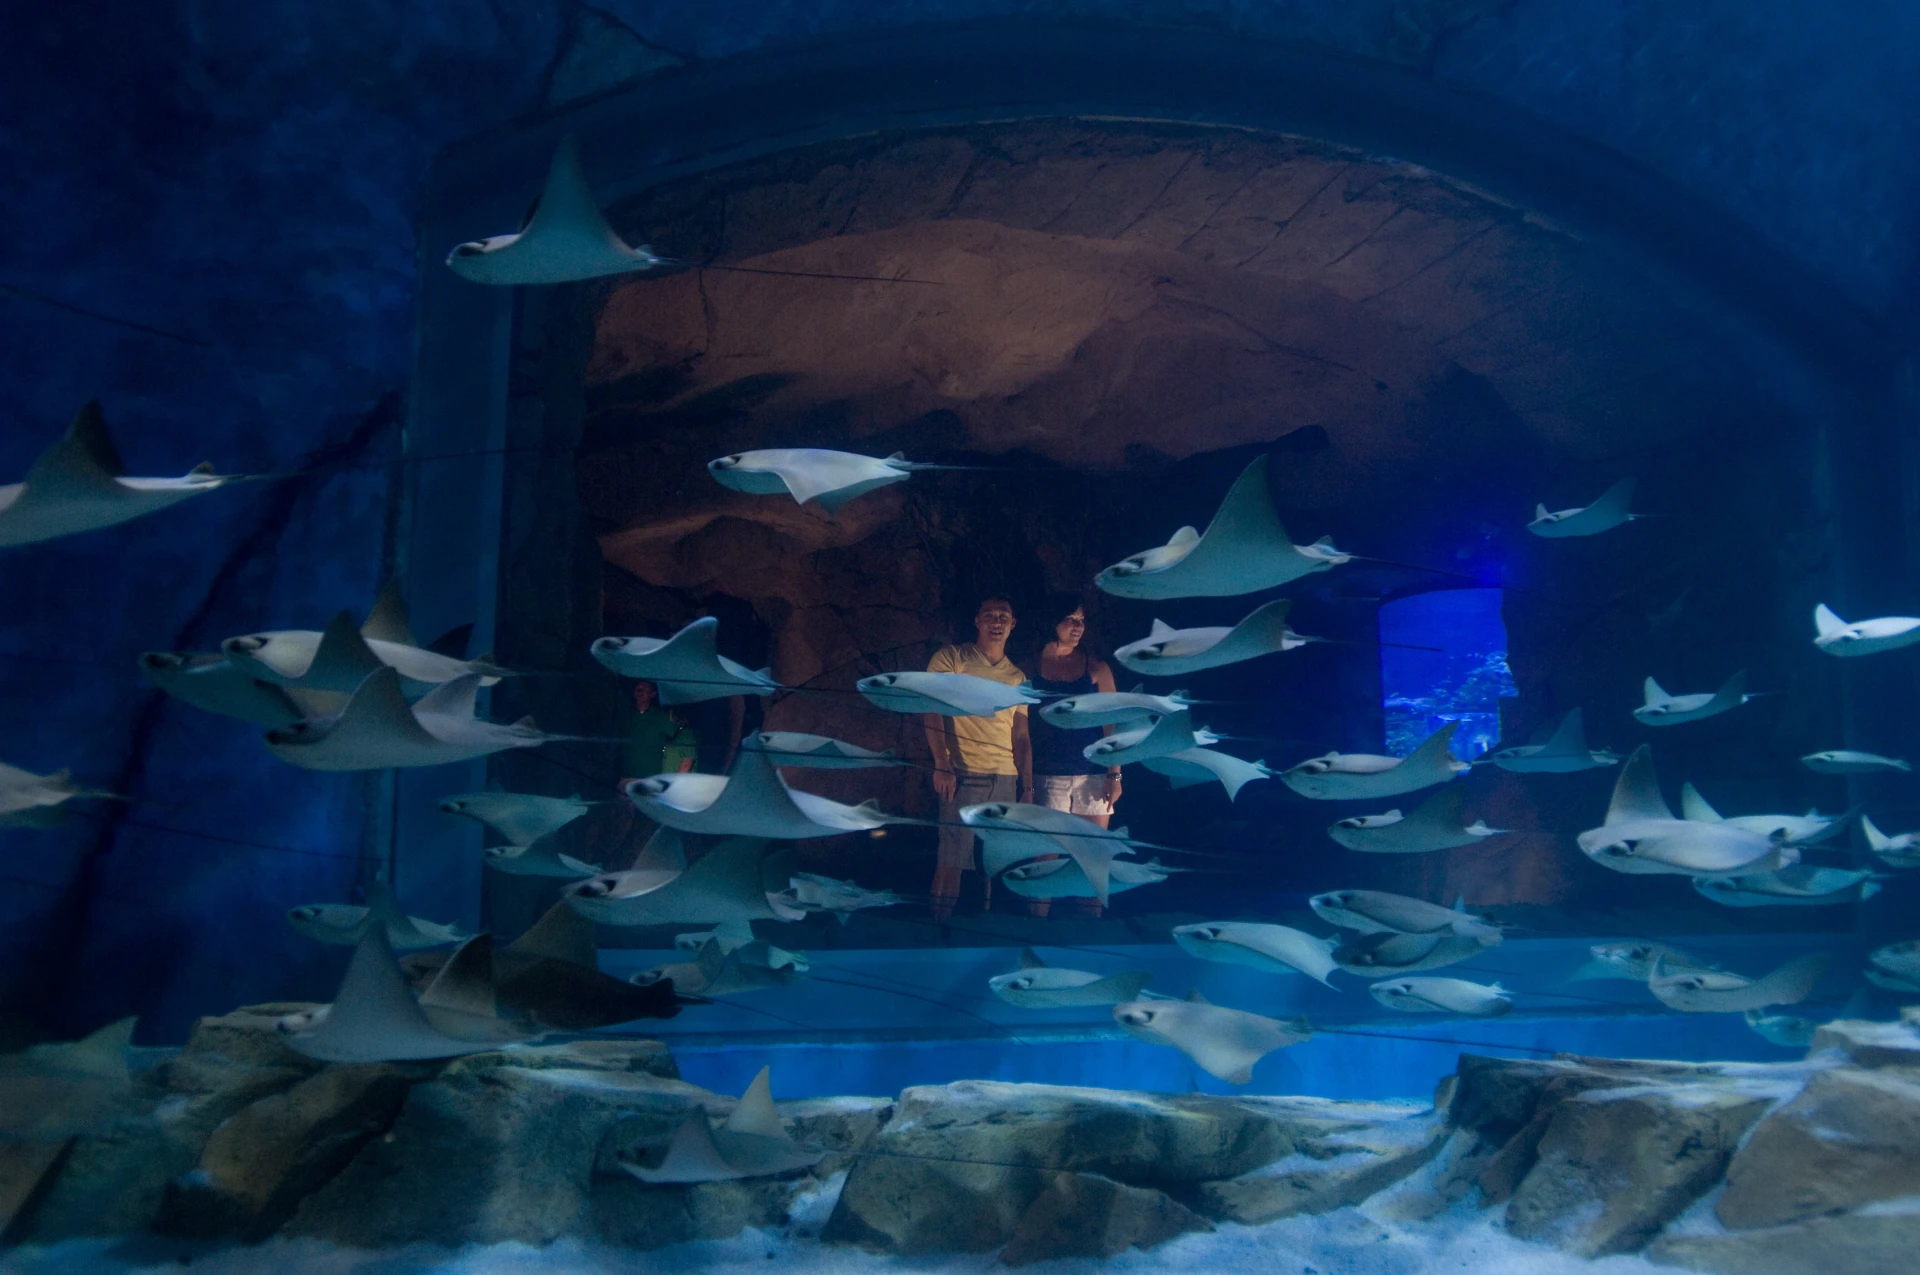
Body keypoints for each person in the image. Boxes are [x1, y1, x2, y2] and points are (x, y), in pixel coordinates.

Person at [923, 595, 1032, 919]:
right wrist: (941, 763)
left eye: (1003, 616)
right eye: (989, 615)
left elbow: (1021, 735)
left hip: (1005, 776)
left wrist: (1027, 785)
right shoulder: (952, 658)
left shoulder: (1018, 678)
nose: (996, 622)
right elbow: (931, 708)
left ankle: (982, 925)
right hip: (964, 772)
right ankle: (938, 928)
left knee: (992, 858)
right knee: (952, 859)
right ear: (977, 621)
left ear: (1013, 624)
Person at [1020, 596, 1123, 916]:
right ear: (1053, 622)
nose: (1078, 626)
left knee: (1093, 858)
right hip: (1047, 774)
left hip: (1093, 774)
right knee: (1045, 860)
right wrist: (1027, 784)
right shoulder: (1029, 667)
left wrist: (1115, 773)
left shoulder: (1096, 667)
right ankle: (1037, 930)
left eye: (1081, 620)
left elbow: (1112, 723)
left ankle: (1090, 930)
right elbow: (1020, 729)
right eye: (1070, 619)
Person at [621, 681, 697, 781]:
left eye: (645, 689)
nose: (640, 692)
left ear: (653, 694)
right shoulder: (625, 716)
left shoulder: (663, 719)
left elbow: (687, 762)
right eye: (638, 689)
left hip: (650, 778)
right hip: (626, 776)